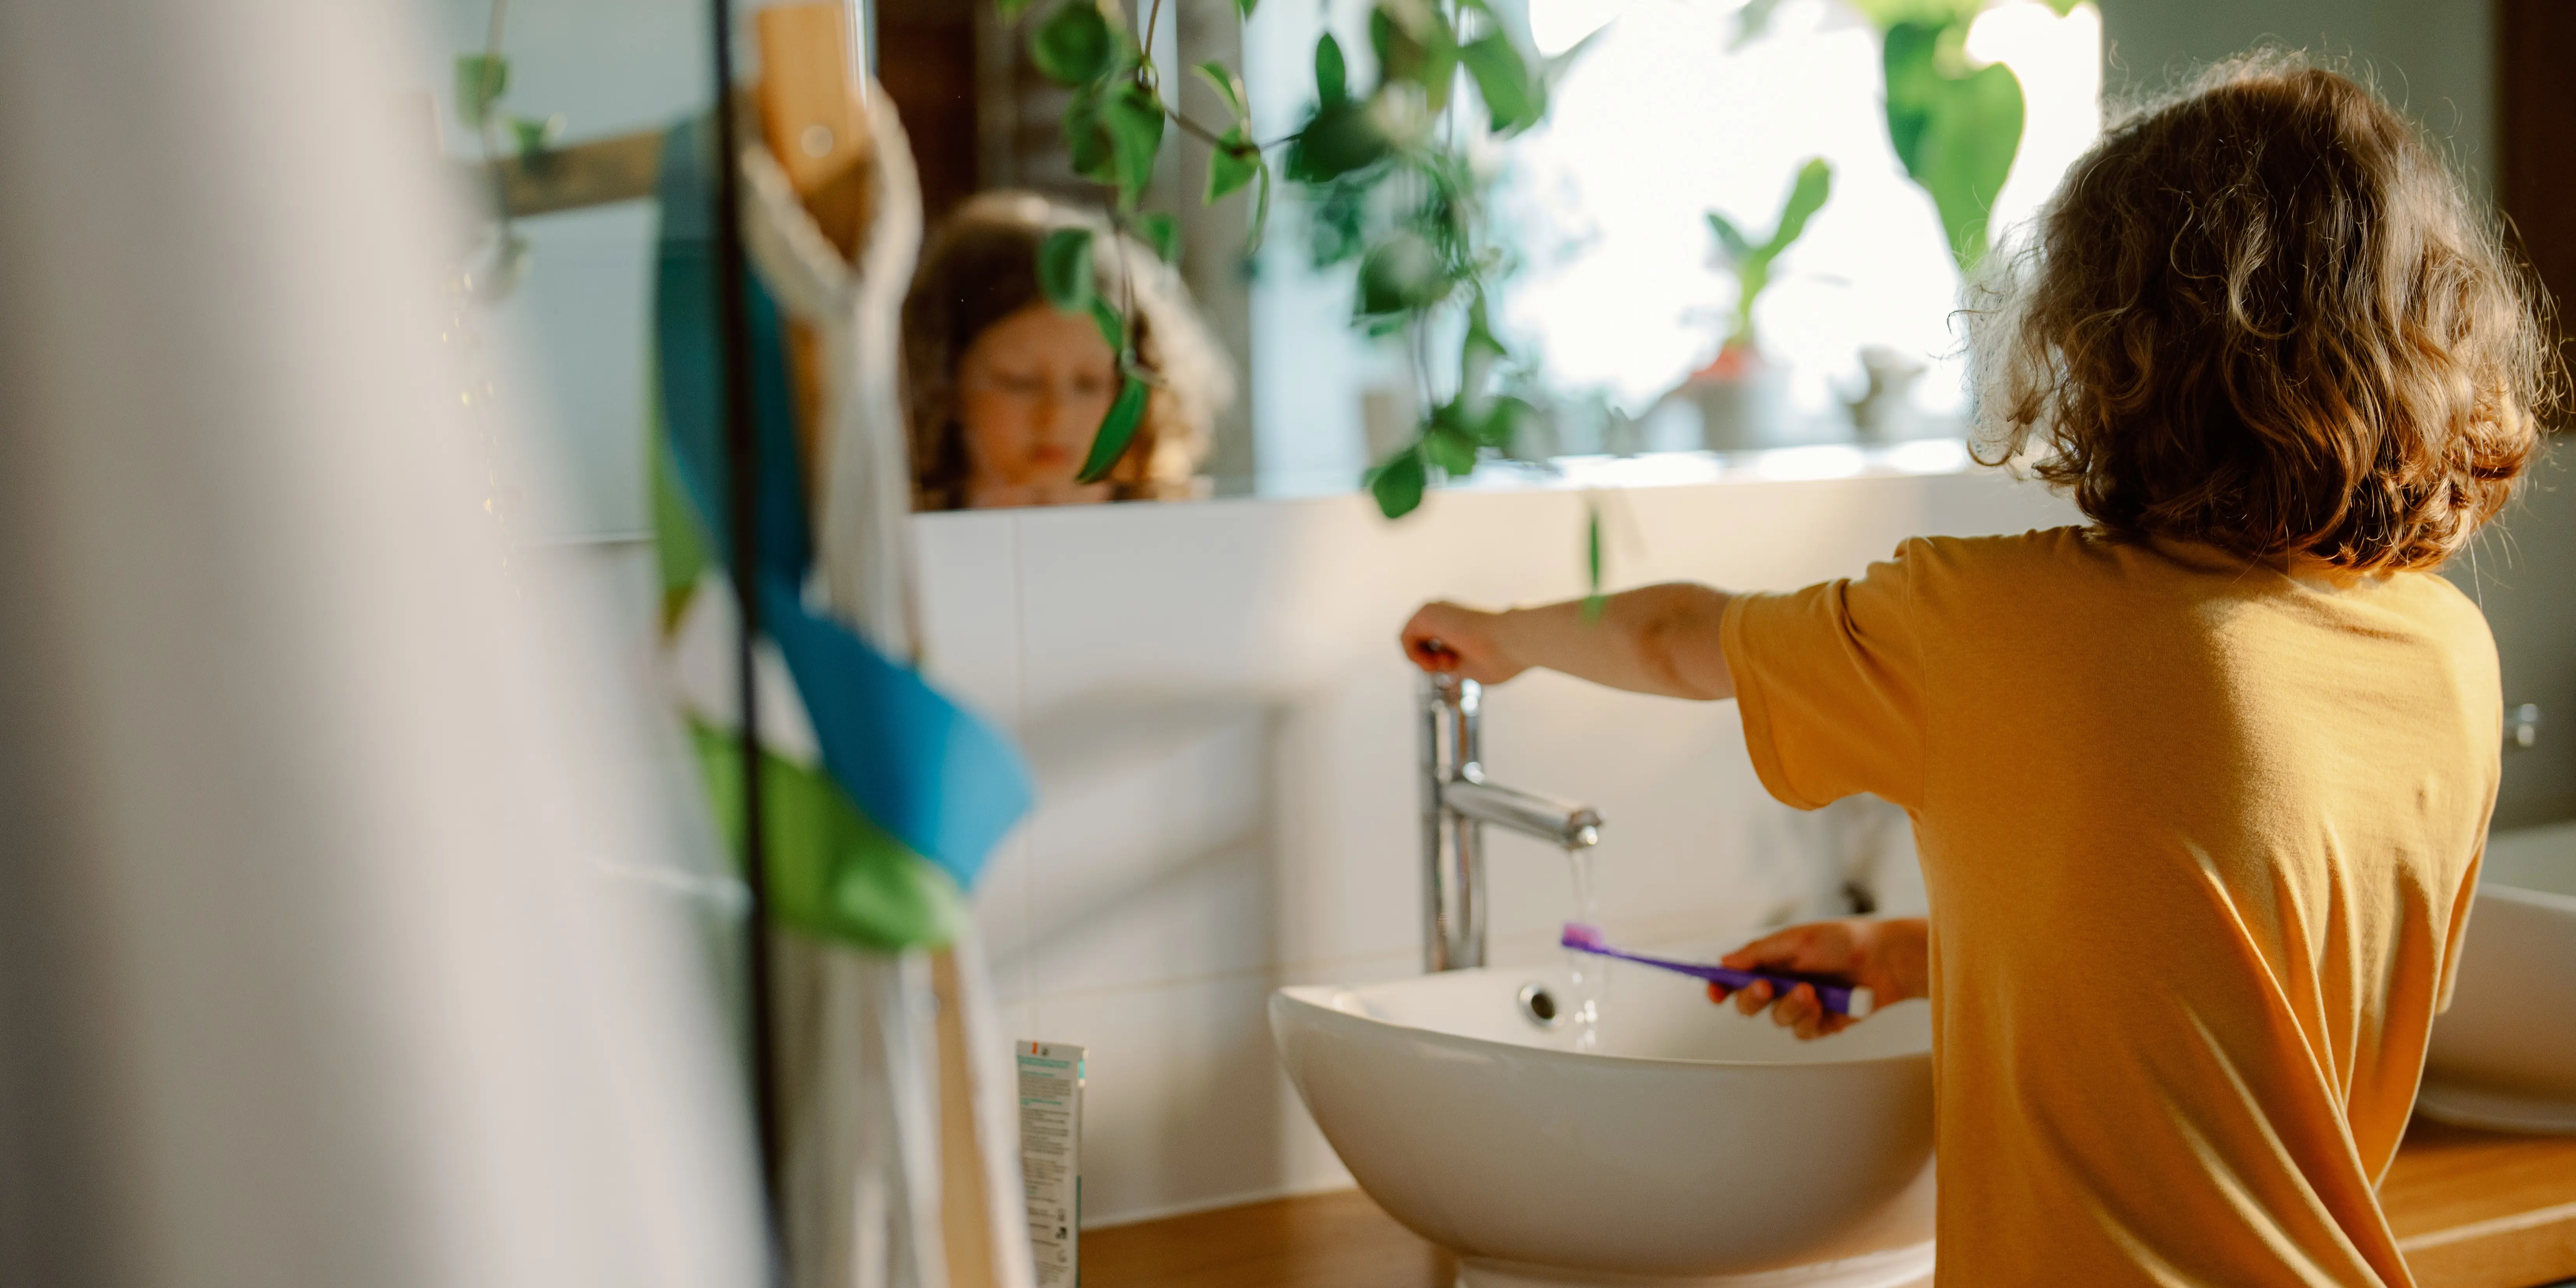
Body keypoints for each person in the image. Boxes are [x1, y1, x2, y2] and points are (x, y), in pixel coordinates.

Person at [1400, 56, 2554, 1286]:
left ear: (2110, 341)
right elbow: (2266, 997)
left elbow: (1674, 635)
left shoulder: (1989, 622)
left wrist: (1499, 630)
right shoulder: (2447, 656)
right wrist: (1925, 955)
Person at [901, 190, 1232, 510]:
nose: (1057, 415)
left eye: (1089, 384)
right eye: (1021, 382)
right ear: (945, 379)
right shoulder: (895, 539)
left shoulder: (1174, 541)